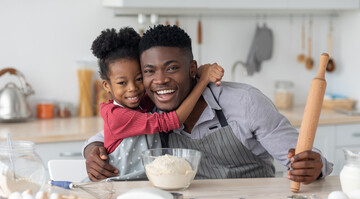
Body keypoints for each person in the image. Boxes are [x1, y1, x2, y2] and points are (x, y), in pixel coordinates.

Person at [84, 24, 333, 183]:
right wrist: (93, 151)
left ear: (193, 68)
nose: (160, 80)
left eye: (172, 68)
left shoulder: (245, 103)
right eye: (149, 72)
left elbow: (300, 156)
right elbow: (110, 131)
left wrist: (314, 167)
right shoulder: (150, 106)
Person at [90, 27, 224, 180]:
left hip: (147, 184)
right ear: (107, 86)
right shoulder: (116, 115)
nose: (133, 88)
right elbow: (172, 121)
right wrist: (202, 82)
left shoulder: (140, 104)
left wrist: (195, 73)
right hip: (119, 185)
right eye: (122, 82)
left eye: (139, 79)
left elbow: (164, 93)